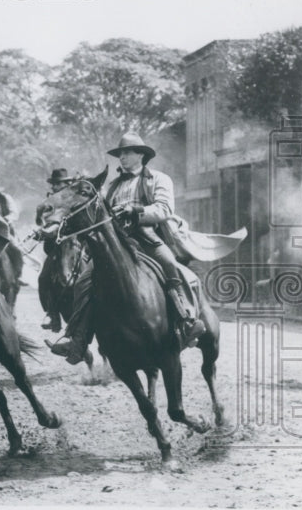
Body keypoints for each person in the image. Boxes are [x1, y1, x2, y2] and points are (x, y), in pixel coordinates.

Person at [47, 133, 205, 364]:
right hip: (116, 243)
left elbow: (164, 210)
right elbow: (99, 212)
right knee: (83, 281)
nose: (122, 156)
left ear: (141, 154)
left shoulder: (159, 179)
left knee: (171, 265)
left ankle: (186, 321)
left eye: (127, 152)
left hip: (148, 238)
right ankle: (78, 340)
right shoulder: (112, 185)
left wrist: (136, 211)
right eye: (120, 153)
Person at [34, 168, 75, 332]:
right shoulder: (48, 201)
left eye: (59, 183)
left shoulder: (73, 198)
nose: (56, 187)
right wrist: (42, 233)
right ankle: (52, 315)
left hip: (74, 242)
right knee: (43, 278)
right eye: (54, 183)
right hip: (56, 247)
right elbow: (42, 222)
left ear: (67, 184)